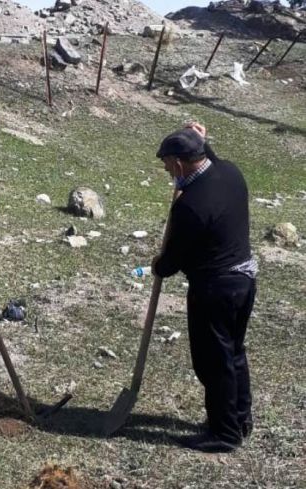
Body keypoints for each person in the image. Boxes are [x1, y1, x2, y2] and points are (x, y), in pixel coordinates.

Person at [152, 123, 257, 453]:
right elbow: (210, 156)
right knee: (233, 352)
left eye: (167, 165)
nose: (167, 172)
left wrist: (158, 265)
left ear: (179, 162)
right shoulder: (230, 172)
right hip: (244, 280)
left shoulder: (191, 206)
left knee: (213, 361)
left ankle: (224, 434)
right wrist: (198, 137)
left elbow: (171, 263)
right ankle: (239, 418)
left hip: (215, 289)